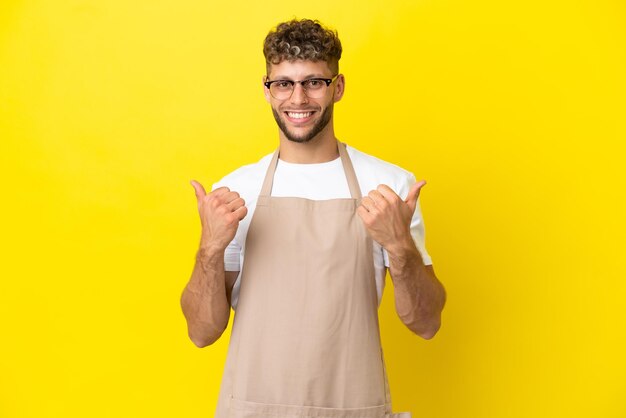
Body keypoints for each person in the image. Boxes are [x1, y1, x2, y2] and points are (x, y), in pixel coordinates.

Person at [180, 18, 446, 418]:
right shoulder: (237, 191)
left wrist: (399, 245)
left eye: (314, 82)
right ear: (267, 91)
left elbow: (426, 323)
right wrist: (209, 248)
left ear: (337, 87)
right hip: (254, 409)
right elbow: (201, 332)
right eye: (284, 83)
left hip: (352, 408)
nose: (298, 98)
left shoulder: (388, 186)